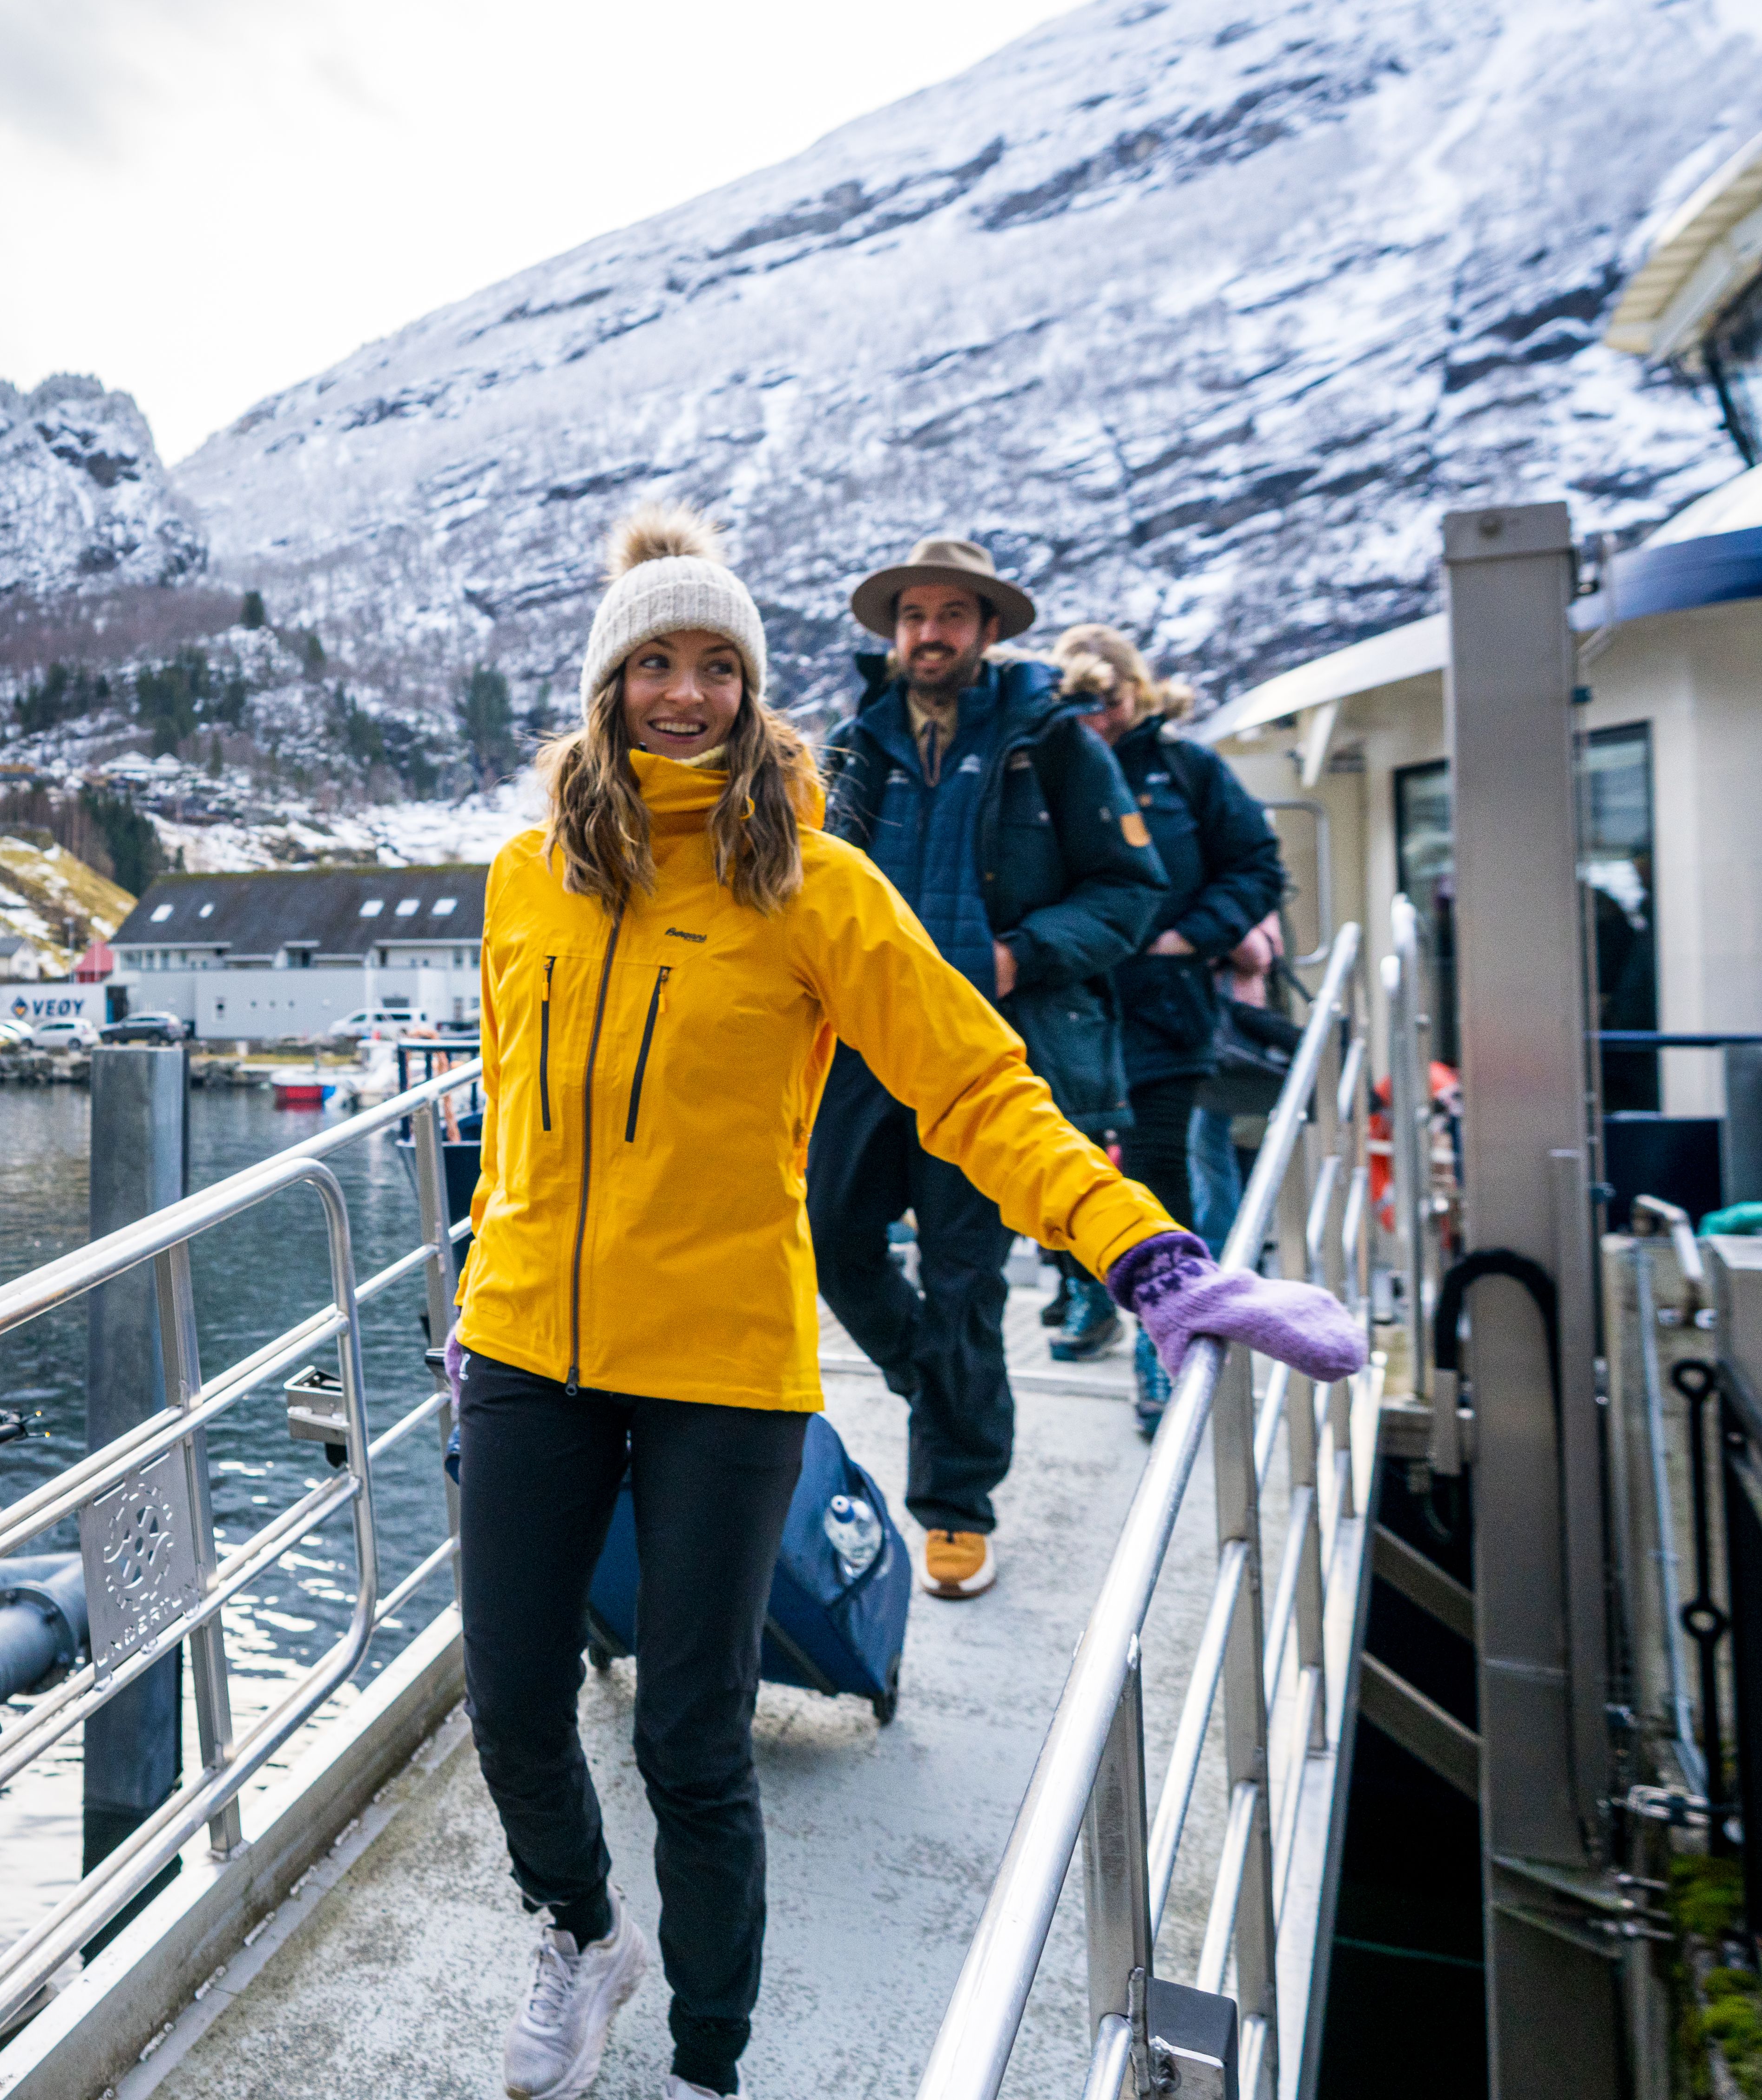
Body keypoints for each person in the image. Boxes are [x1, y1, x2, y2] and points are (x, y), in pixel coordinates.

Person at [452, 505, 1362, 2100]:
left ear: (752, 688)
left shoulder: (812, 885)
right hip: (529, 1343)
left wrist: (1145, 1253)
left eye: (715, 666)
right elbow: (522, 1118)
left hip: (724, 1366)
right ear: (605, 684)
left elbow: (977, 1085)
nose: (683, 694)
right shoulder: (525, 879)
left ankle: (708, 2058)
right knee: (513, 1695)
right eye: (653, 662)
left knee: (691, 1735)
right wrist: (478, 1298)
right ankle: (581, 1930)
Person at [807, 536, 1164, 1599]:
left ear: (987, 631)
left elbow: (1129, 894)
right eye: (913, 615)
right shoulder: (851, 747)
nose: (930, 633)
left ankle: (955, 1508)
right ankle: (944, 1392)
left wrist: (1021, 953)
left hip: (980, 1050)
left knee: (965, 1279)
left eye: (951, 615)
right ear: (891, 632)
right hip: (863, 1056)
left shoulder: (1052, 744)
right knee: (830, 1241)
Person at [1051, 625, 1289, 1434]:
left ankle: (1163, 1352)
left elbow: (1258, 861)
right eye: (1085, 705)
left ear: (1138, 692)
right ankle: (1089, 1297)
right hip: (1074, 1006)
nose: (1102, 719)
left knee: (1159, 1171)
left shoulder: (1188, 770)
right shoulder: (1044, 766)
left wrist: (1193, 935)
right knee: (1066, 1163)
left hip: (1165, 1007)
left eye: (1113, 701)